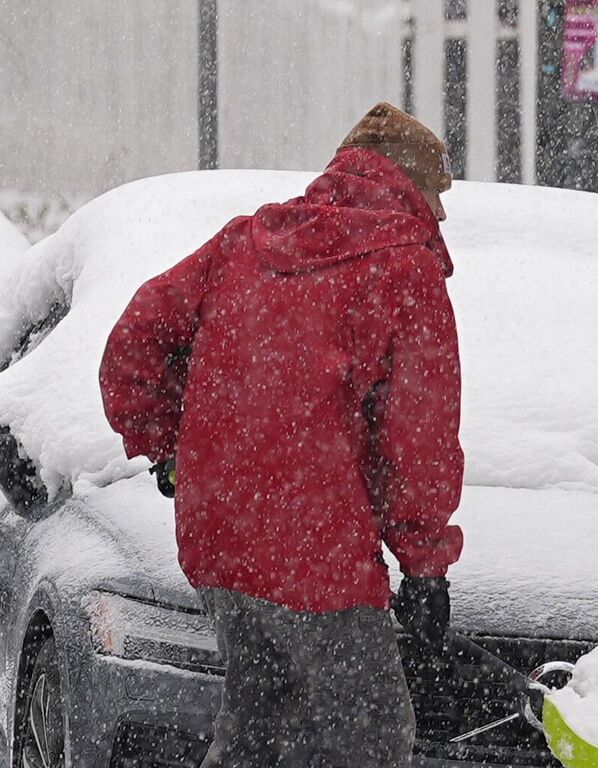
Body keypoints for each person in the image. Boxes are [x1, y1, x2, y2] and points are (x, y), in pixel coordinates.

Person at [98, 102, 465, 767]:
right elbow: (418, 440)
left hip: (222, 537)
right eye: (438, 195)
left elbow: (134, 342)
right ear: (414, 187)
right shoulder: (403, 269)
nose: (441, 213)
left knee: (257, 728)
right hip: (317, 555)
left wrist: (170, 444)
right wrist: (426, 563)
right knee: (370, 743)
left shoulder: (246, 244)